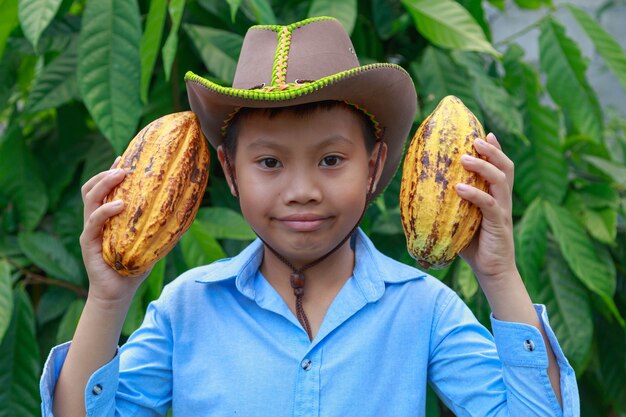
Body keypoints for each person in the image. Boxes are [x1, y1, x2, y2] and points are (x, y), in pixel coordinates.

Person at [41, 16, 579, 417]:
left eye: (330, 160)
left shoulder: (423, 308)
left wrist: (499, 275)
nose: (302, 191)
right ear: (229, 171)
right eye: (270, 162)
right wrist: (108, 298)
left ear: (374, 168)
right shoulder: (187, 308)